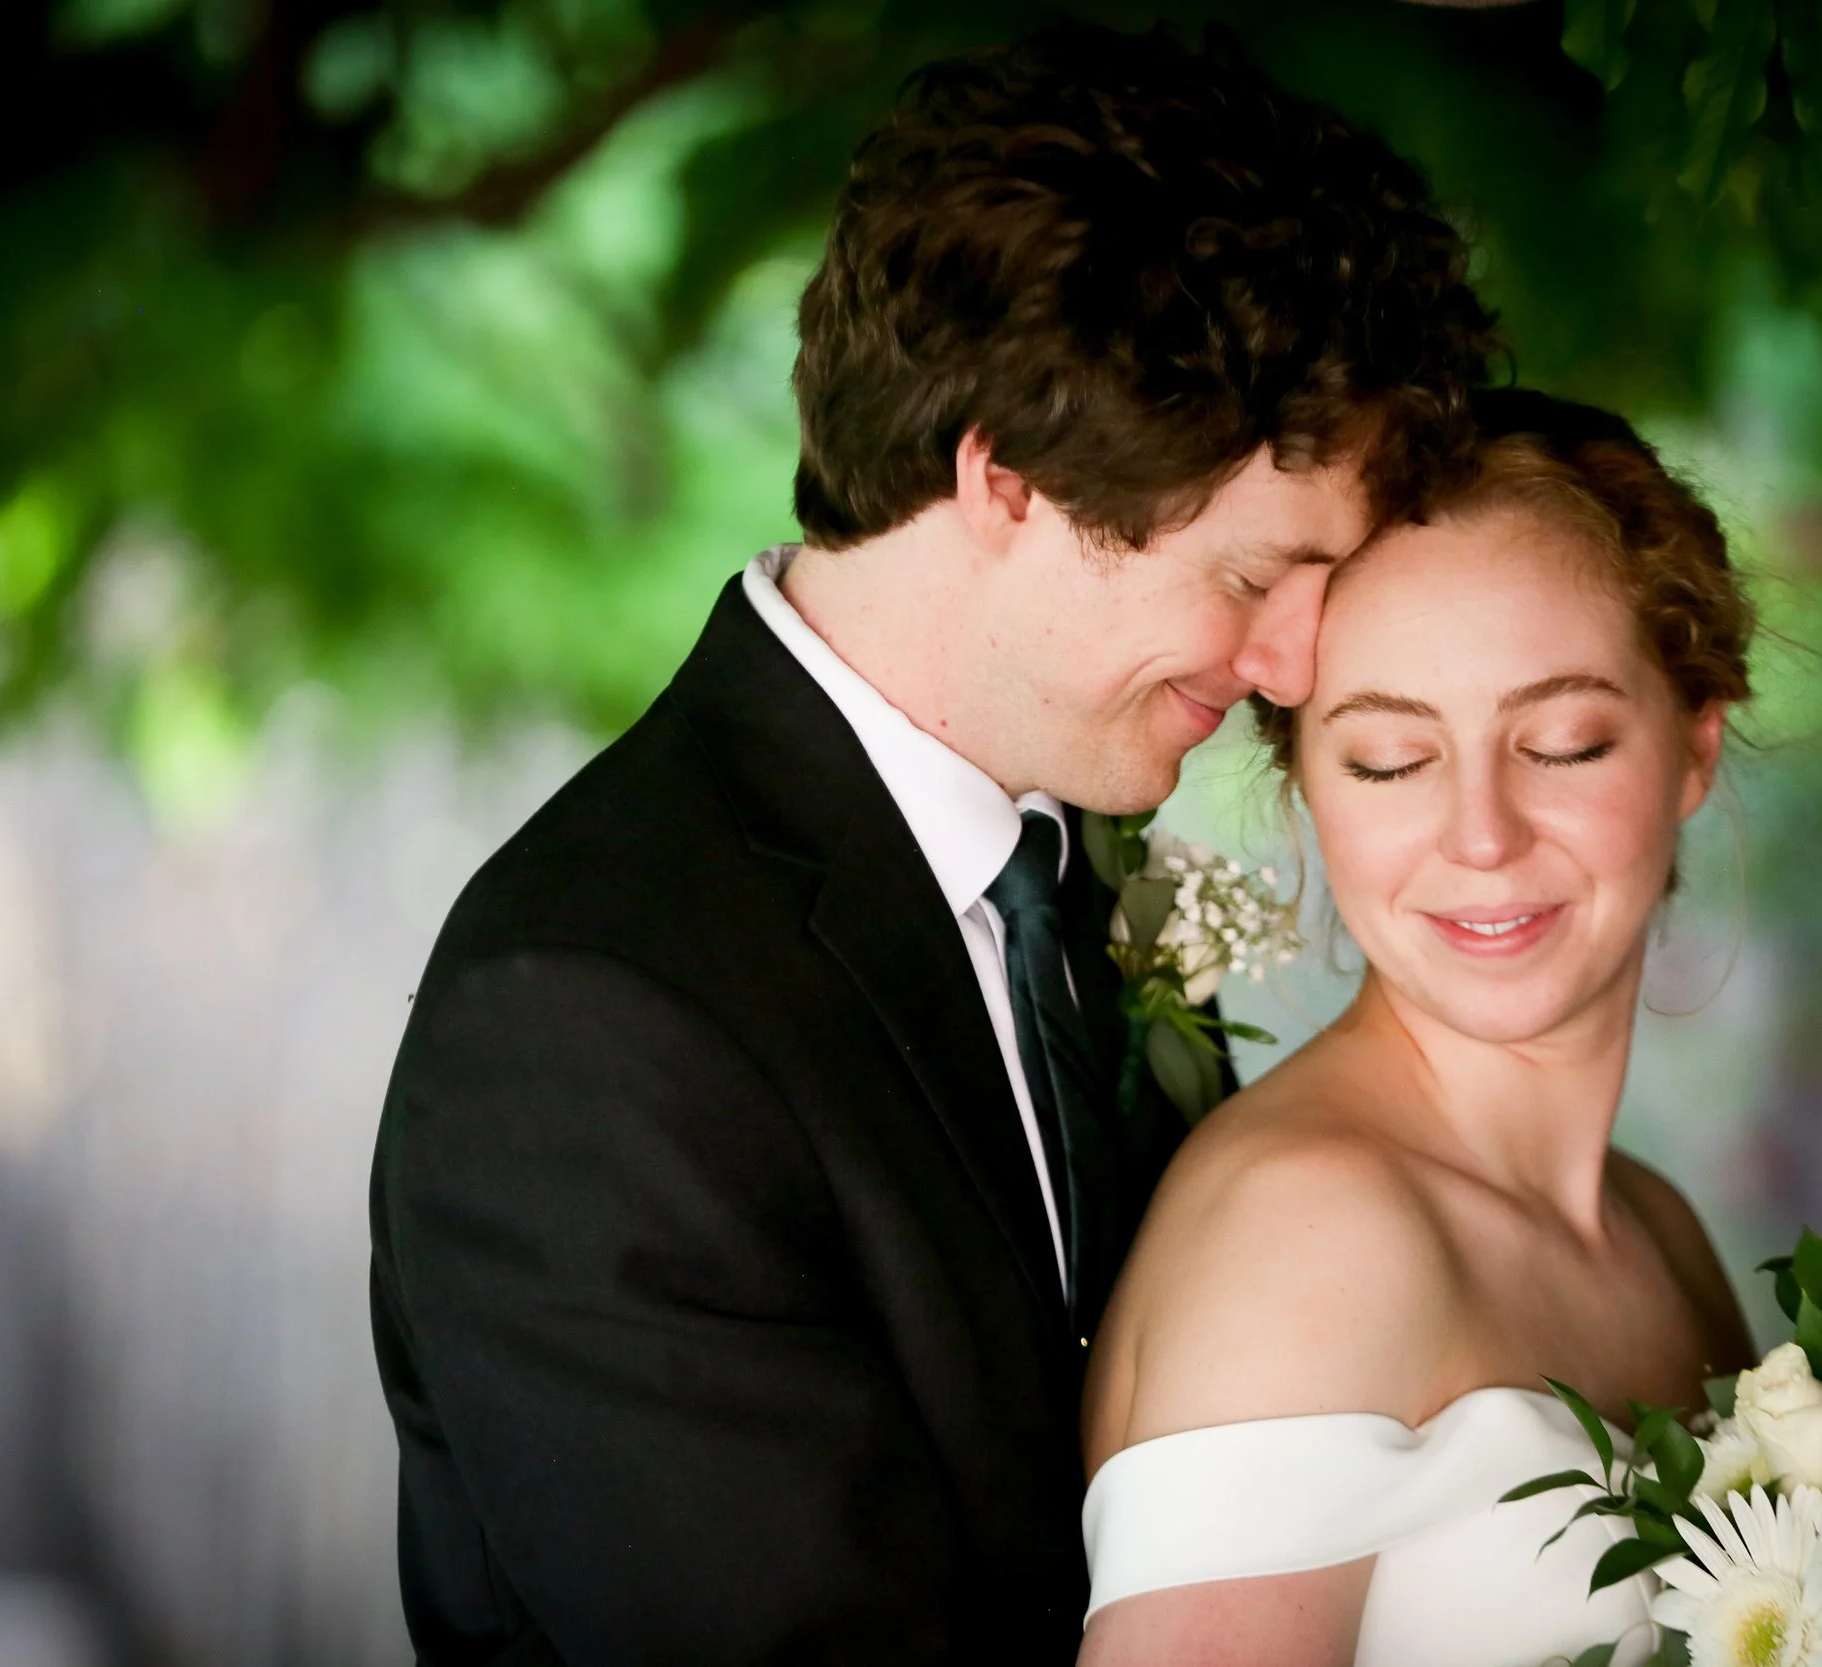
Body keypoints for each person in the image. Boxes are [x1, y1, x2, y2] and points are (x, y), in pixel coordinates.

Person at [367, 24, 1496, 1664]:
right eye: (1255, 580)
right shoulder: (593, 1022)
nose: (1296, 668)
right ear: (1006, 478)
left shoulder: (1077, 877)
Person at [1074, 389, 1822, 1666]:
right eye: (1386, 759)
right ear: (1306, 783)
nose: (1482, 835)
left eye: (1566, 742)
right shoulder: (1310, 1233)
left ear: (1694, 742)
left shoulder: (1656, 1226)